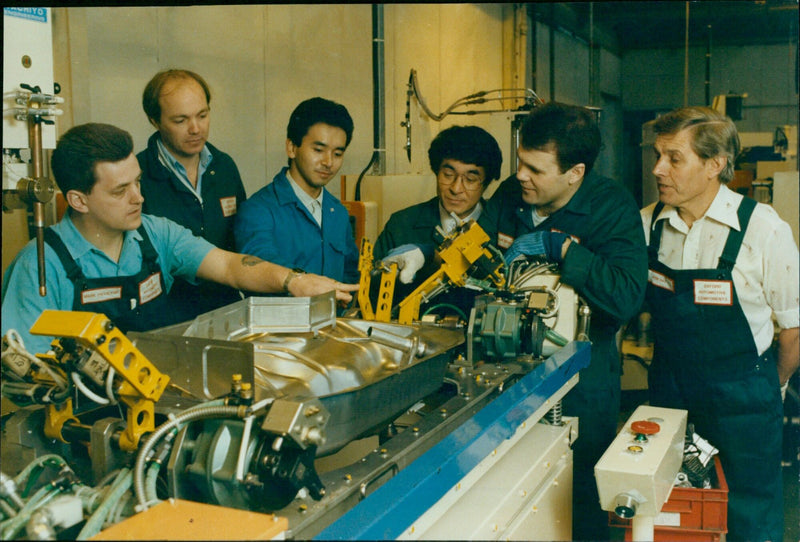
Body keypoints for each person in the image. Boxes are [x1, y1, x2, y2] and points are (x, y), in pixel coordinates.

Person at [1, 123, 358, 356]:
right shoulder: (41, 268)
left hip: (160, 402)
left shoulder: (154, 234)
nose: (138, 197)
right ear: (79, 199)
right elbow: (27, 370)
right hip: (84, 425)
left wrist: (293, 280)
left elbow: (231, 266)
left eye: (138, 182)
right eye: (120, 190)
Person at [478, 102, 648, 540]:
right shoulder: (508, 198)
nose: (521, 175)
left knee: (577, 508)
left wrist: (564, 250)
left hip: (581, 387)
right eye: (520, 162)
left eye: (535, 168)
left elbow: (626, 296)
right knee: (510, 502)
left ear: (574, 173)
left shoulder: (612, 208)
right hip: (505, 376)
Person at [641, 106, 799, 542]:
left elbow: (794, 331)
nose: (658, 169)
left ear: (714, 165)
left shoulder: (762, 228)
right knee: (672, 509)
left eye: (674, 158)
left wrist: (769, 384)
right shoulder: (648, 224)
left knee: (750, 515)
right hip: (671, 390)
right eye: (658, 155)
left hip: (743, 398)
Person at [137, 69, 247, 325]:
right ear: (155, 120)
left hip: (226, 312)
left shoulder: (225, 167)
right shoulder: (137, 176)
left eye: (203, 115)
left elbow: (239, 240)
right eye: (180, 120)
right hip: (167, 320)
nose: (195, 129)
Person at [373, 125, 503, 319]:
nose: (456, 188)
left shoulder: (503, 228)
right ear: (436, 171)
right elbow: (372, 293)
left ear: (487, 182)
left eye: (470, 179)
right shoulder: (401, 225)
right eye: (448, 175)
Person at [234, 97, 359, 287]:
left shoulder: (338, 213)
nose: (328, 162)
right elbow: (258, 272)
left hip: (335, 317)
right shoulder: (258, 211)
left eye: (338, 154)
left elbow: (351, 274)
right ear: (292, 148)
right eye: (318, 150)